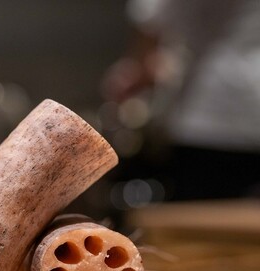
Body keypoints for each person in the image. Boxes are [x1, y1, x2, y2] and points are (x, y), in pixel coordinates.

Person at [103, 0, 260, 200]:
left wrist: (139, 66)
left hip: (205, 116)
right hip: (251, 117)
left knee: (199, 214)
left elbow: (151, 14)